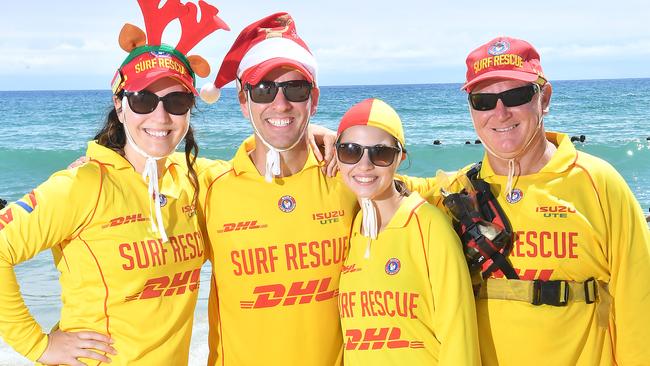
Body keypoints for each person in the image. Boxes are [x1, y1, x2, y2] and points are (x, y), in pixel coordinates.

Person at [0, 1, 229, 364]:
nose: (161, 115)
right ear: (120, 105)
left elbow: (258, 171)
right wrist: (38, 345)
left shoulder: (193, 177)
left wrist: (315, 133)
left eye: (177, 100)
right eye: (143, 99)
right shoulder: (83, 184)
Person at [430, 36, 650, 365]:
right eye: (483, 101)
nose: (500, 113)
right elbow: (372, 179)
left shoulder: (599, 184)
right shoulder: (456, 193)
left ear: (543, 98)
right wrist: (328, 137)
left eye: (516, 95)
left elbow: (639, 302)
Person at [197, 12, 358, 366]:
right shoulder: (209, 188)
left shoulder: (350, 177)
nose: (280, 103)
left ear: (313, 100)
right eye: (265, 90)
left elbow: (421, 196)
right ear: (243, 101)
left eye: (295, 89)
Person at [335, 98, 480, 365]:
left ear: (399, 157)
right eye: (351, 151)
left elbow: (459, 335)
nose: (364, 165)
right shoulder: (354, 227)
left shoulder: (429, 226)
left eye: (380, 153)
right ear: (336, 155)